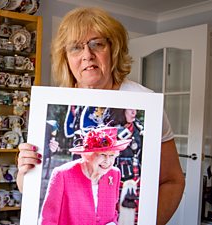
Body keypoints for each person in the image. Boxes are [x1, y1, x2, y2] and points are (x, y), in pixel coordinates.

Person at [17, 7, 185, 225]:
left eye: (97, 43)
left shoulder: (144, 102)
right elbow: (30, 189)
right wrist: (25, 170)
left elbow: (173, 181)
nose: (87, 55)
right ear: (66, 58)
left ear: (113, 50)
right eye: (76, 47)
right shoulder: (50, 105)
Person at [40, 126, 131, 225]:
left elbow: (113, 213)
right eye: (102, 155)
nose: (108, 161)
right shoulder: (62, 175)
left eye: (112, 155)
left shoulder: (114, 174)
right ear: (88, 154)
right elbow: (48, 220)